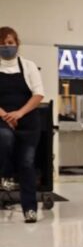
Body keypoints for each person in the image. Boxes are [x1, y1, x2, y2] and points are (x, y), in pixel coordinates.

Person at [0, 26, 45, 223]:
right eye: (2, 43)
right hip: (1, 120)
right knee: (5, 137)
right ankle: (7, 174)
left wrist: (19, 113)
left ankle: (30, 209)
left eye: (10, 43)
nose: (6, 46)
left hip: (28, 121)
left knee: (27, 164)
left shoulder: (28, 66)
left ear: (17, 44)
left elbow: (38, 94)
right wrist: (4, 114)